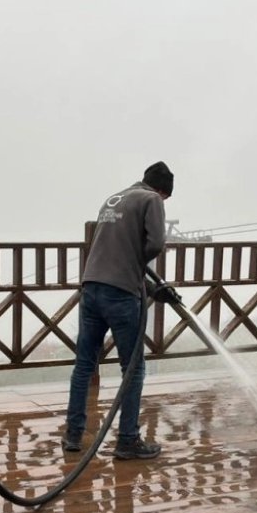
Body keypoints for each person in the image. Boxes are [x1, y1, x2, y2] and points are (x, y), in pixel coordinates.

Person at [64, 161, 173, 459]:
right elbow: (156, 244)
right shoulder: (151, 199)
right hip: (121, 294)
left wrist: (148, 285)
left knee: (84, 365)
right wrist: (140, 268)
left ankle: (72, 435)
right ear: (162, 191)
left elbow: (115, 248)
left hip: (91, 287)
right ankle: (127, 440)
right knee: (133, 368)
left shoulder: (114, 198)